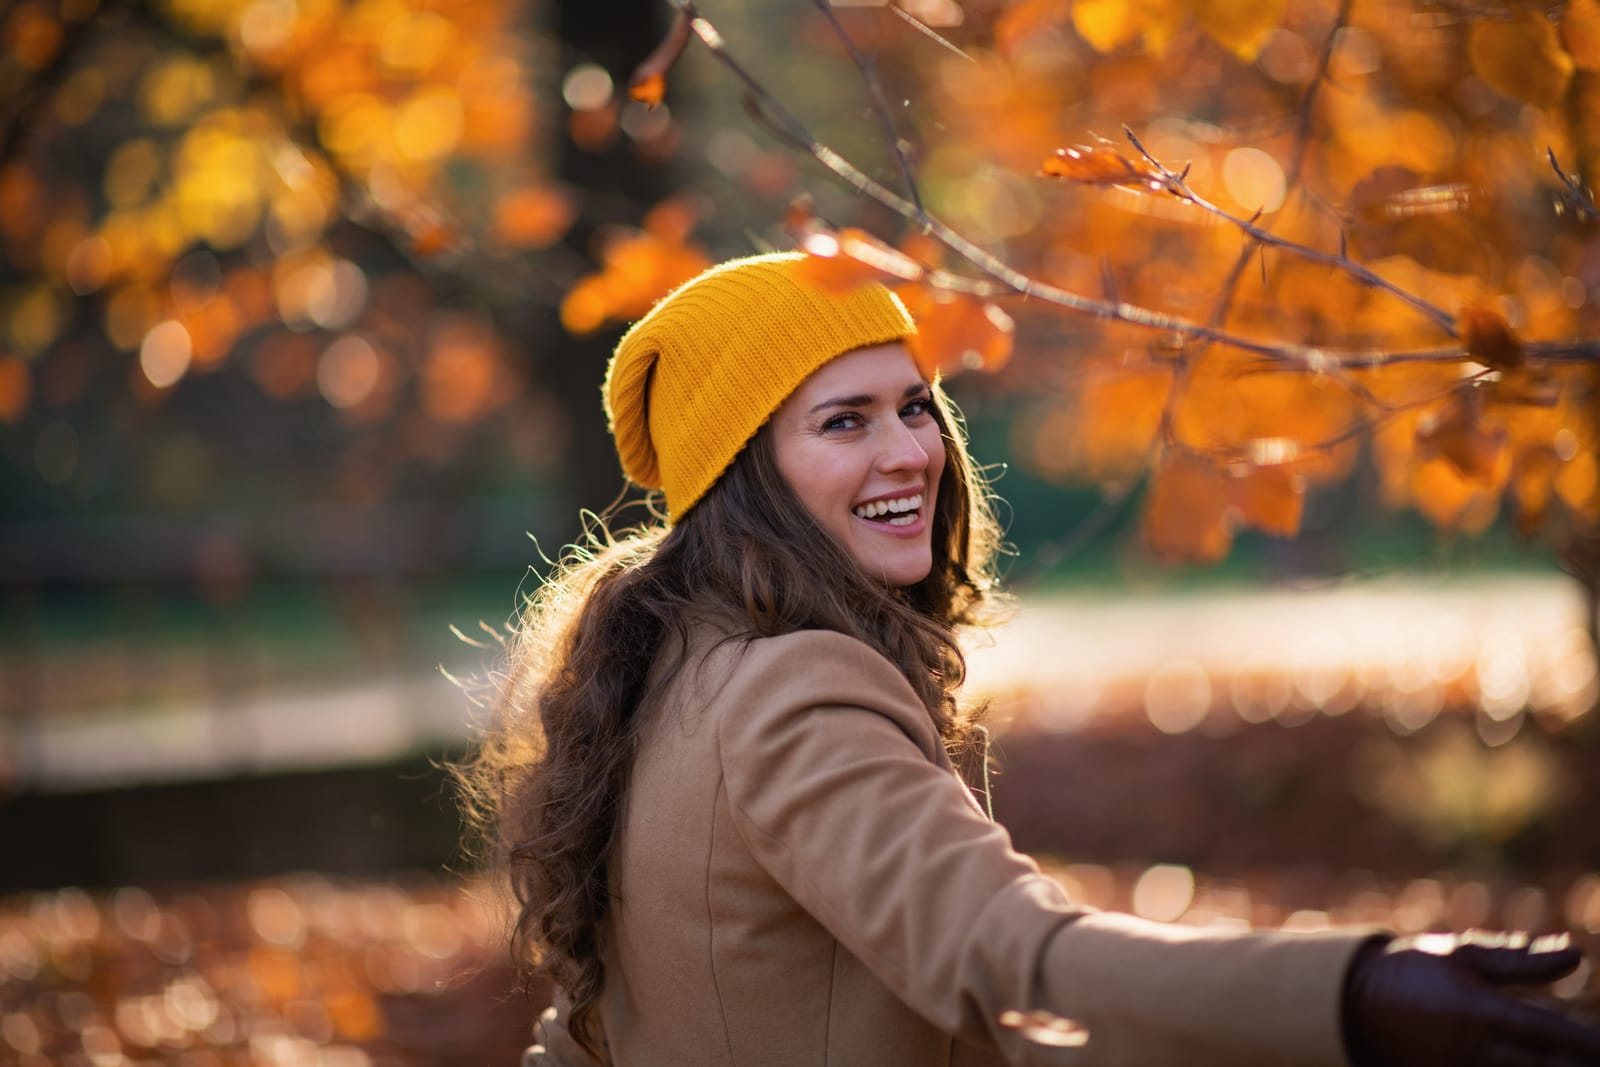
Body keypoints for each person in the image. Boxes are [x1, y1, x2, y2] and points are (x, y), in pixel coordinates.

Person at [460, 253, 1600, 1066]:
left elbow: (588, 1031)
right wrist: (1350, 994)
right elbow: (1015, 957)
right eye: (842, 421)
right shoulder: (793, 690)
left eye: (914, 405)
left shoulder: (664, 665)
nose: (911, 448)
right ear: (741, 475)